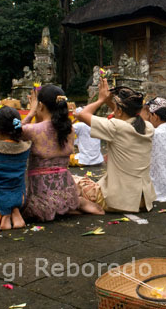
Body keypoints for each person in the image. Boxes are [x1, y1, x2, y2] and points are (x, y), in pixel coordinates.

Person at [21, 84, 104, 221]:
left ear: (40, 106)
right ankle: (72, 204)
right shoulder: (68, 128)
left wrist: (31, 113)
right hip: (66, 190)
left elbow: (12, 134)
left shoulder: (33, 130)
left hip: (42, 195)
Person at [76, 79, 156, 212]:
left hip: (119, 201)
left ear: (119, 111)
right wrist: (110, 101)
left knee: (71, 180)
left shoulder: (116, 127)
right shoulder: (148, 127)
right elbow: (125, 115)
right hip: (142, 201)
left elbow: (81, 115)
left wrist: (101, 99)